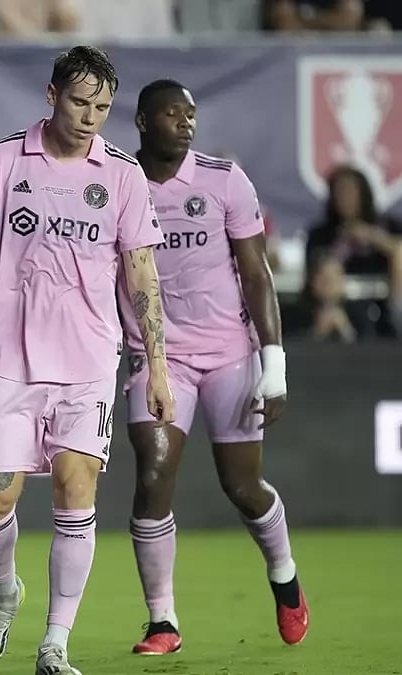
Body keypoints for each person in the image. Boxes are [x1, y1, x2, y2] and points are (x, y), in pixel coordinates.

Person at [0, 45, 174, 674]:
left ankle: (54, 644)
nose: (91, 117)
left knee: (73, 488)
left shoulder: (121, 175)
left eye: (104, 108)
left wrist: (158, 364)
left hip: (89, 362)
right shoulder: (4, 160)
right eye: (81, 102)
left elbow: (142, 272)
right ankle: (5, 591)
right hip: (11, 359)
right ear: (51, 94)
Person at [121, 79, 308, 655]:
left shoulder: (225, 180)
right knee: (153, 474)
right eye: (172, 113)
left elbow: (256, 274)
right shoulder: (114, 182)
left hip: (230, 352)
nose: (186, 122)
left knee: (242, 486)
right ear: (143, 122)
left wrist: (273, 365)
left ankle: (285, 578)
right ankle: (162, 621)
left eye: (191, 114)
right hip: (157, 357)